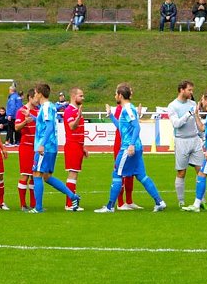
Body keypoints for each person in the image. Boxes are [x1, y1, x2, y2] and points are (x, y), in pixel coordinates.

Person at [94, 84, 167, 213]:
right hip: (136, 147)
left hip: (128, 148)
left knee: (117, 173)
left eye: (116, 94)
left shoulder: (127, 109)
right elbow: (122, 127)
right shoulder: (127, 109)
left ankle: (110, 207)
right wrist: (111, 115)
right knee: (141, 176)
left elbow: (137, 127)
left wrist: (131, 145)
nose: (114, 96)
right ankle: (159, 202)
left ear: (120, 95)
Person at [29, 82, 81, 213]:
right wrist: (32, 117)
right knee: (46, 176)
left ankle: (38, 208)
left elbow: (49, 127)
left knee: (37, 173)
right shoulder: (50, 106)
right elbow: (46, 123)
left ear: (40, 94)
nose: (34, 95)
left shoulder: (46, 107)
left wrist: (42, 144)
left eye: (35, 93)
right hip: (51, 147)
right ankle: (73, 196)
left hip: (44, 147)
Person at [167, 80, 206, 207]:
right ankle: (181, 201)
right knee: (181, 172)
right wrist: (188, 113)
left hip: (195, 140)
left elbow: (196, 120)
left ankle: (201, 201)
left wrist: (202, 136)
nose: (191, 92)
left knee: (201, 171)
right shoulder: (172, 106)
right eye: (189, 90)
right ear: (181, 90)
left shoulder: (193, 103)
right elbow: (176, 124)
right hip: (181, 140)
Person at [63, 87, 88, 211]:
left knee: (75, 174)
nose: (83, 98)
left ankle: (71, 202)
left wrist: (82, 147)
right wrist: (78, 117)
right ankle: (69, 203)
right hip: (72, 145)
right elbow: (72, 126)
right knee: (72, 173)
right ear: (73, 96)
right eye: (81, 96)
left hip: (77, 145)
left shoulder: (76, 110)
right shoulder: (69, 110)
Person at [111, 98, 138, 210]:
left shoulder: (130, 108)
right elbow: (121, 127)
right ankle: (120, 202)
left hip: (128, 143)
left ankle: (129, 200)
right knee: (120, 172)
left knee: (130, 173)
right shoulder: (121, 109)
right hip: (121, 143)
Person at [14, 89, 38, 211]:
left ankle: (34, 204)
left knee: (35, 175)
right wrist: (25, 121)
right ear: (30, 97)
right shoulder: (21, 111)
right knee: (25, 175)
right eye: (36, 98)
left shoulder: (38, 111)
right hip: (26, 147)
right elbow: (16, 127)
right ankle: (23, 204)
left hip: (36, 148)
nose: (37, 100)